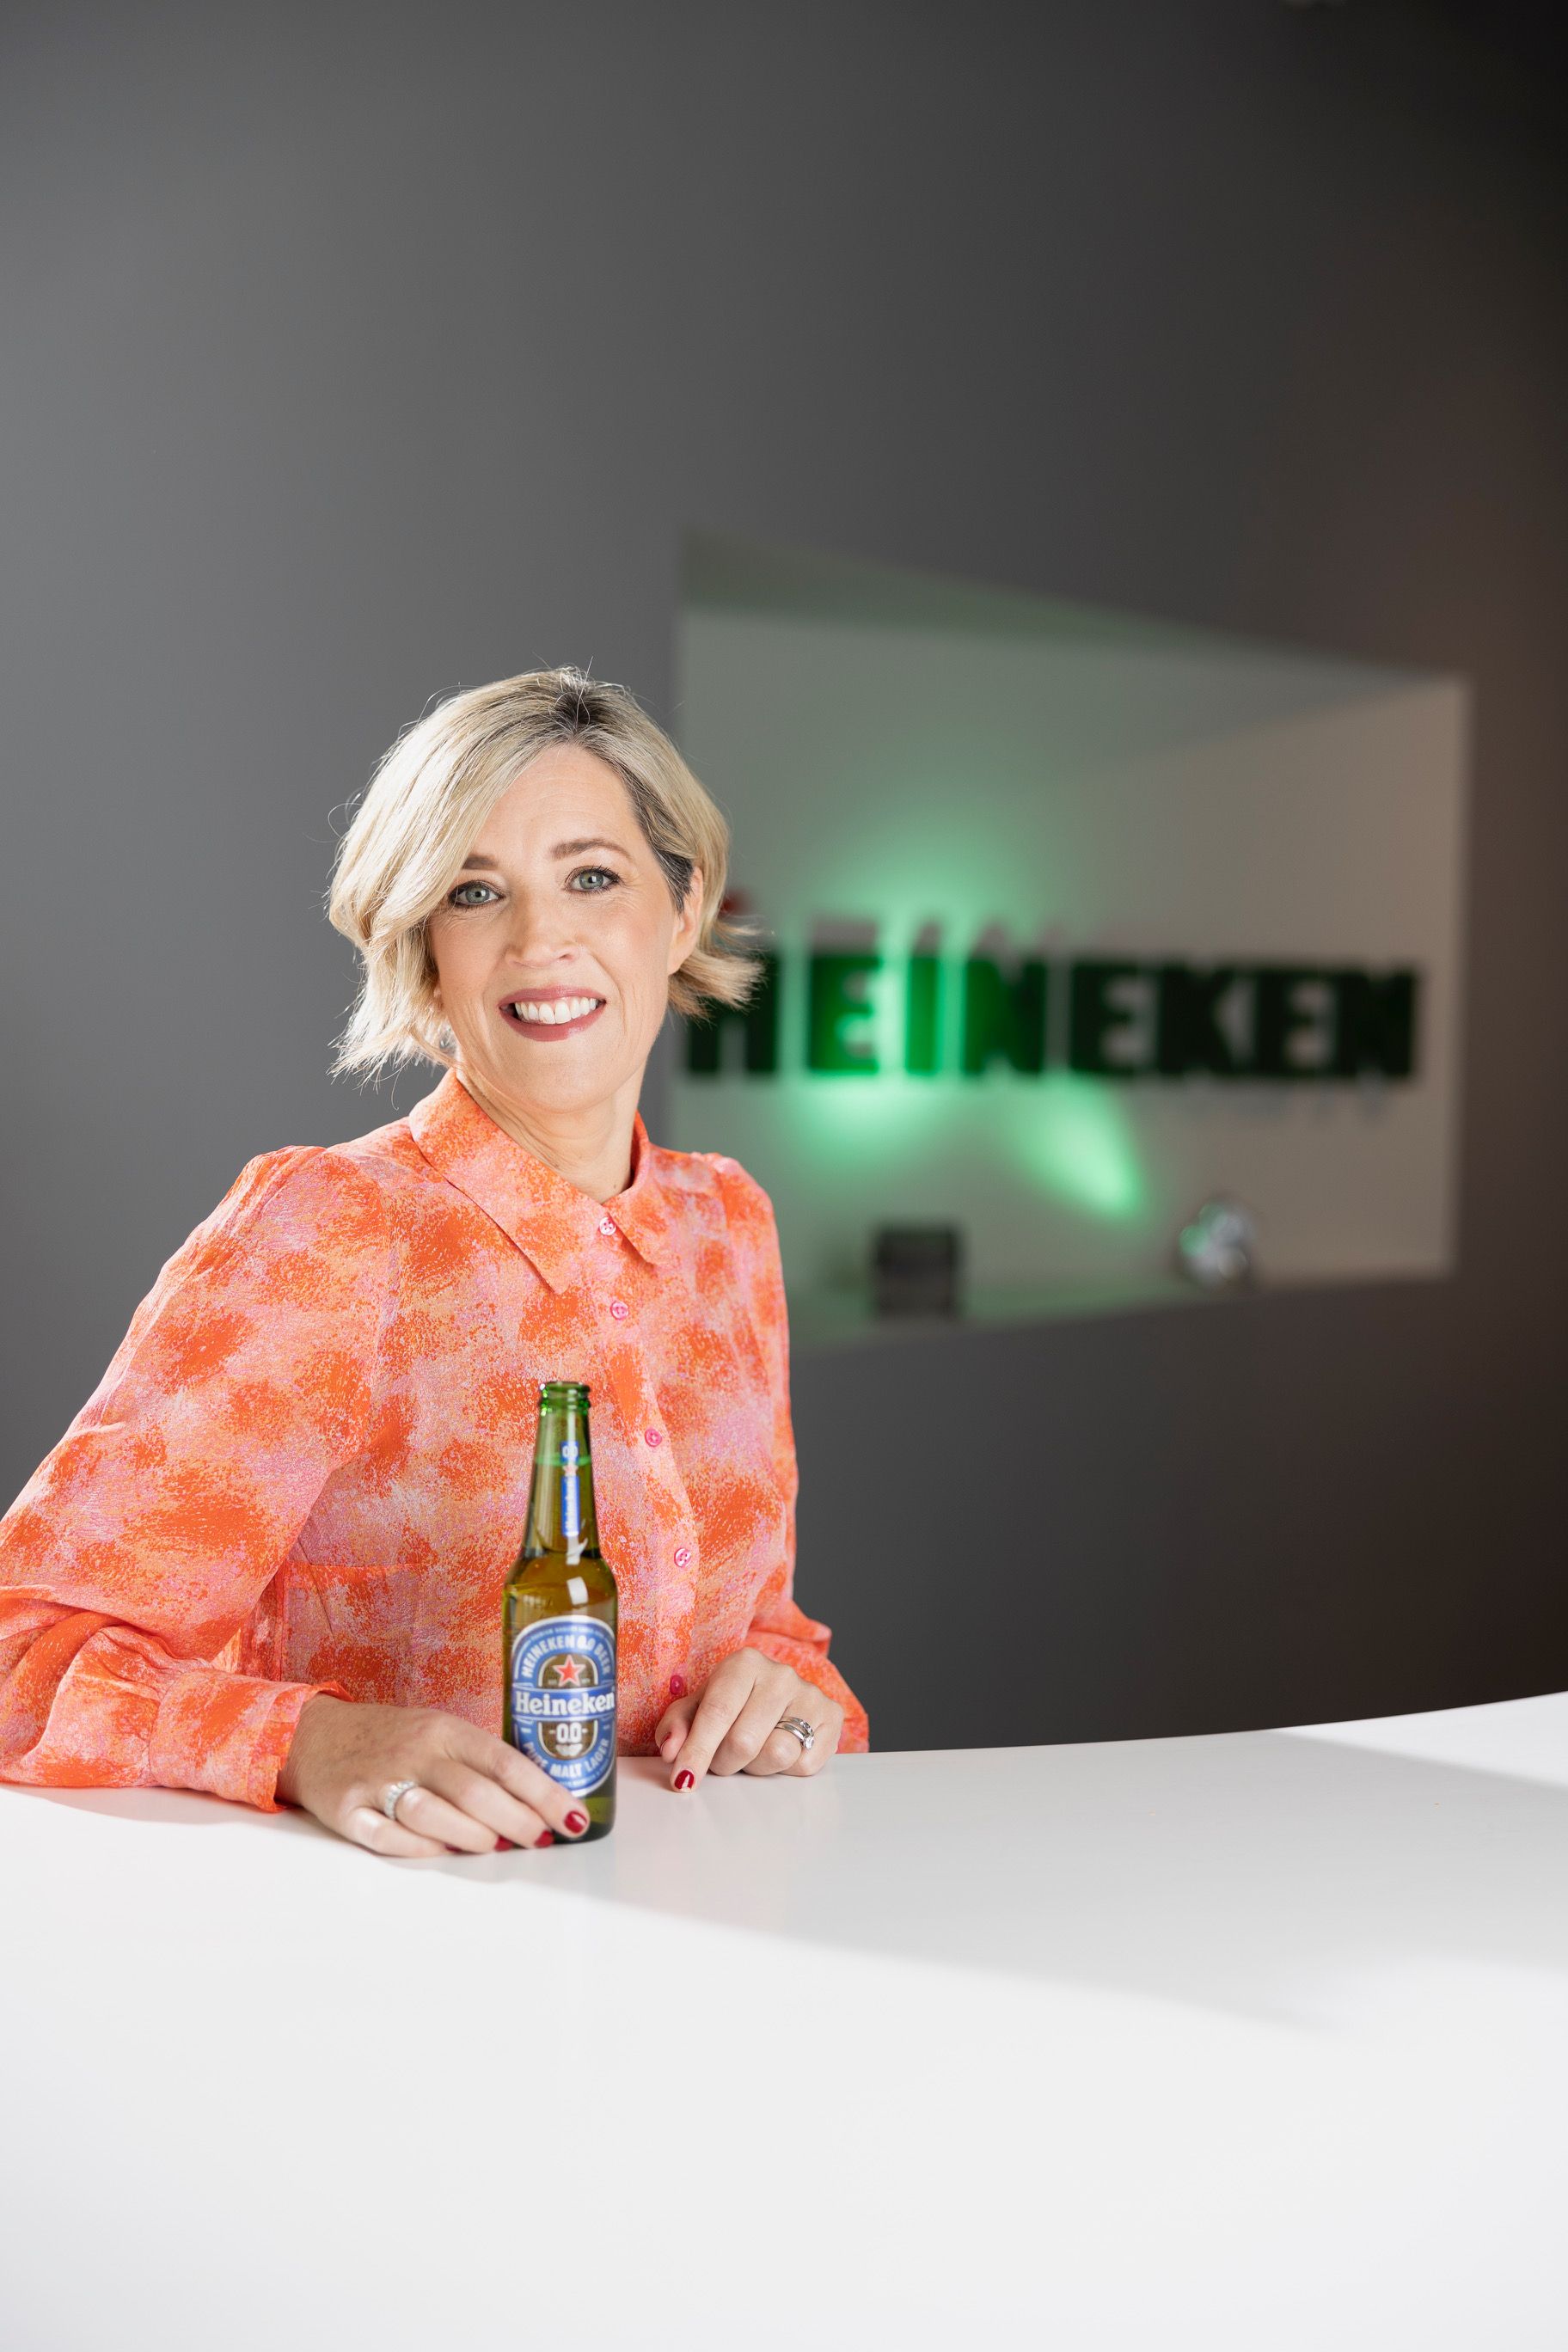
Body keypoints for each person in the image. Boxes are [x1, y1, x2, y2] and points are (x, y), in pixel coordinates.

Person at [0, 667, 867, 1858]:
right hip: (402, 1975)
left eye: (593, 876)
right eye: (475, 891)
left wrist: (782, 1687)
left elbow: (760, 1630)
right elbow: (20, 1656)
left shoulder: (727, 1226)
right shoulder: (330, 1229)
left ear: (684, 907)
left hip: (706, 1945)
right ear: (423, 945)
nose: (540, 938)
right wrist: (307, 1744)